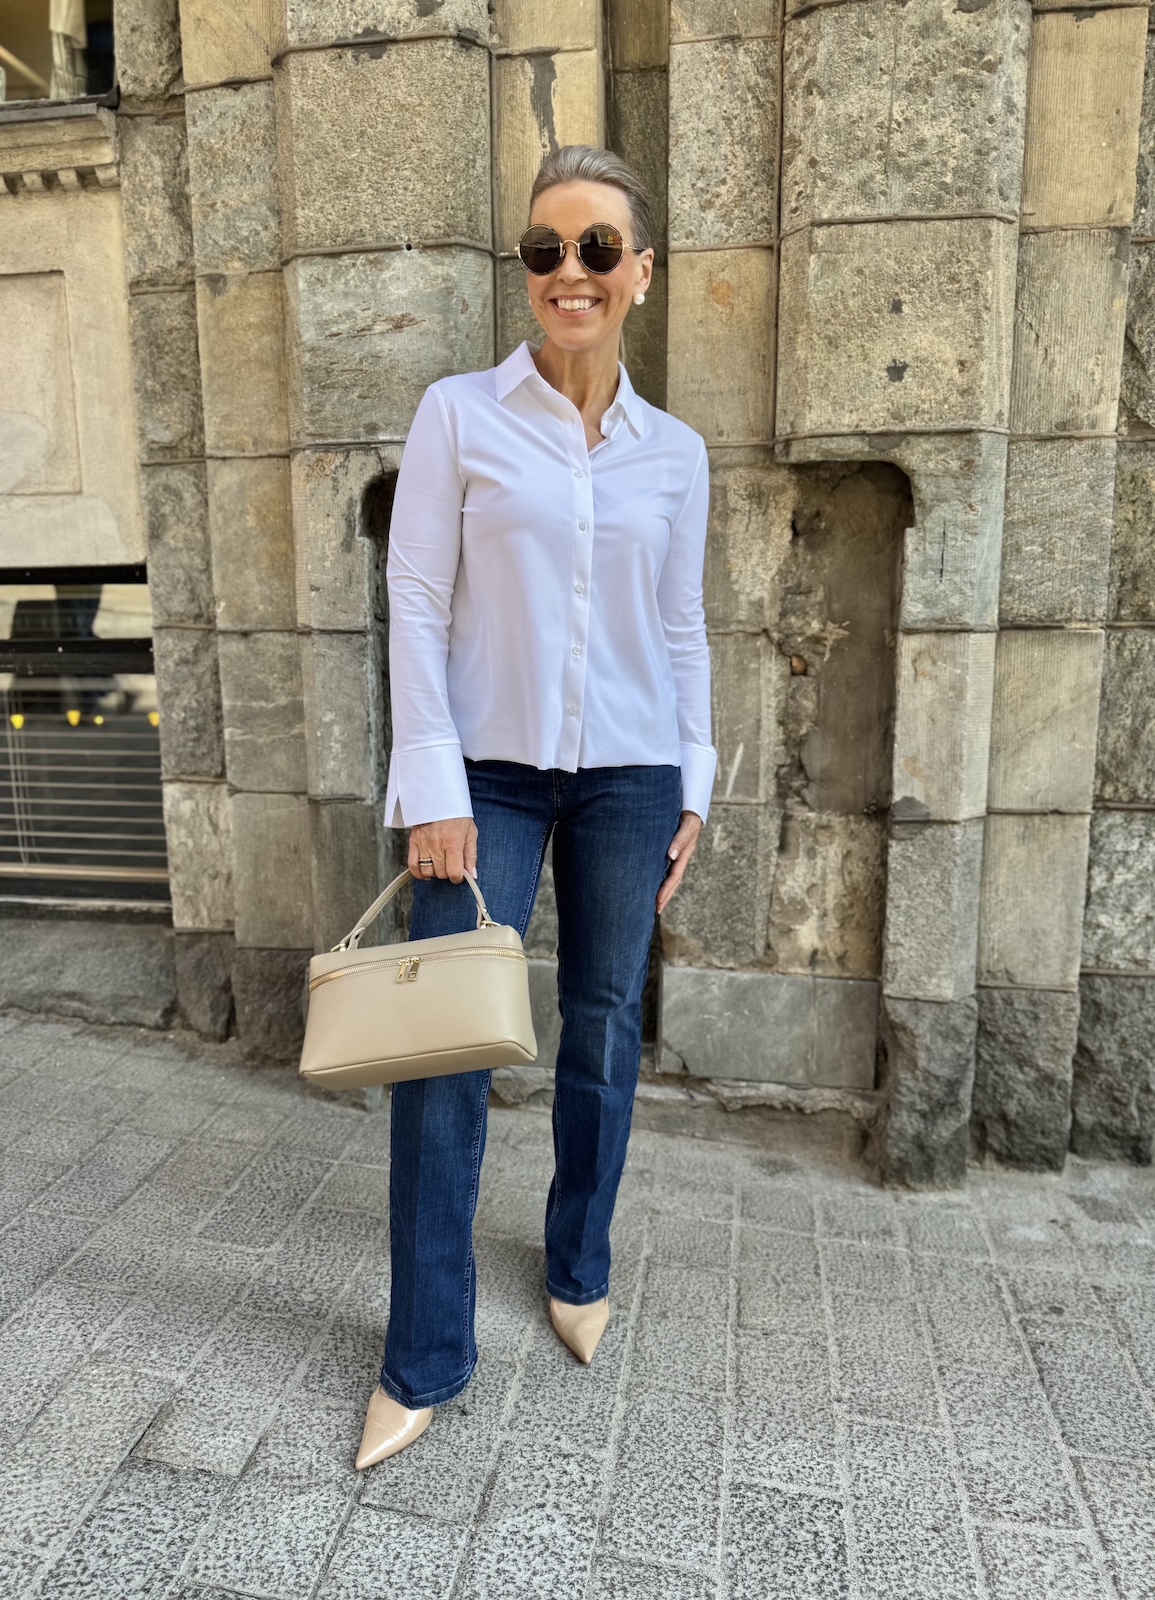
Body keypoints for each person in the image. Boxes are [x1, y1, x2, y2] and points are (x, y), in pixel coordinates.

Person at [355, 144, 717, 1470]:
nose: (572, 271)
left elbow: (679, 625)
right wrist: (431, 787)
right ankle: (422, 1356)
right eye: (546, 249)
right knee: (444, 1049)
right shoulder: (459, 413)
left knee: (603, 1026)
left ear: (641, 273)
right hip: (485, 777)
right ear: (526, 271)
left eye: (598, 248)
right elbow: (415, 602)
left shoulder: (675, 454)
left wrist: (697, 779)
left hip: (632, 773)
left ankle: (577, 1264)